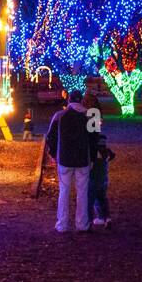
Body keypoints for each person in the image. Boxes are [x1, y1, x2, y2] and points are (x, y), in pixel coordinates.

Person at [44, 90, 92, 233]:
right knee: (82, 193)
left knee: (64, 191)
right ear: (81, 100)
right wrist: (93, 157)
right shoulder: (90, 114)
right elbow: (95, 138)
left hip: (64, 158)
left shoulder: (59, 116)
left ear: (69, 100)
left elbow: (50, 138)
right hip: (83, 158)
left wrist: (53, 154)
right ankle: (82, 224)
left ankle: (62, 224)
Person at [88, 130, 116, 228]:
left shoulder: (92, 153)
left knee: (90, 200)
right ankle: (106, 218)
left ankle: (89, 221)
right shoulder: (107, 152)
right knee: (102, 199)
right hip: (103, 180)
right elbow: (112, 156)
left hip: (93, 180)